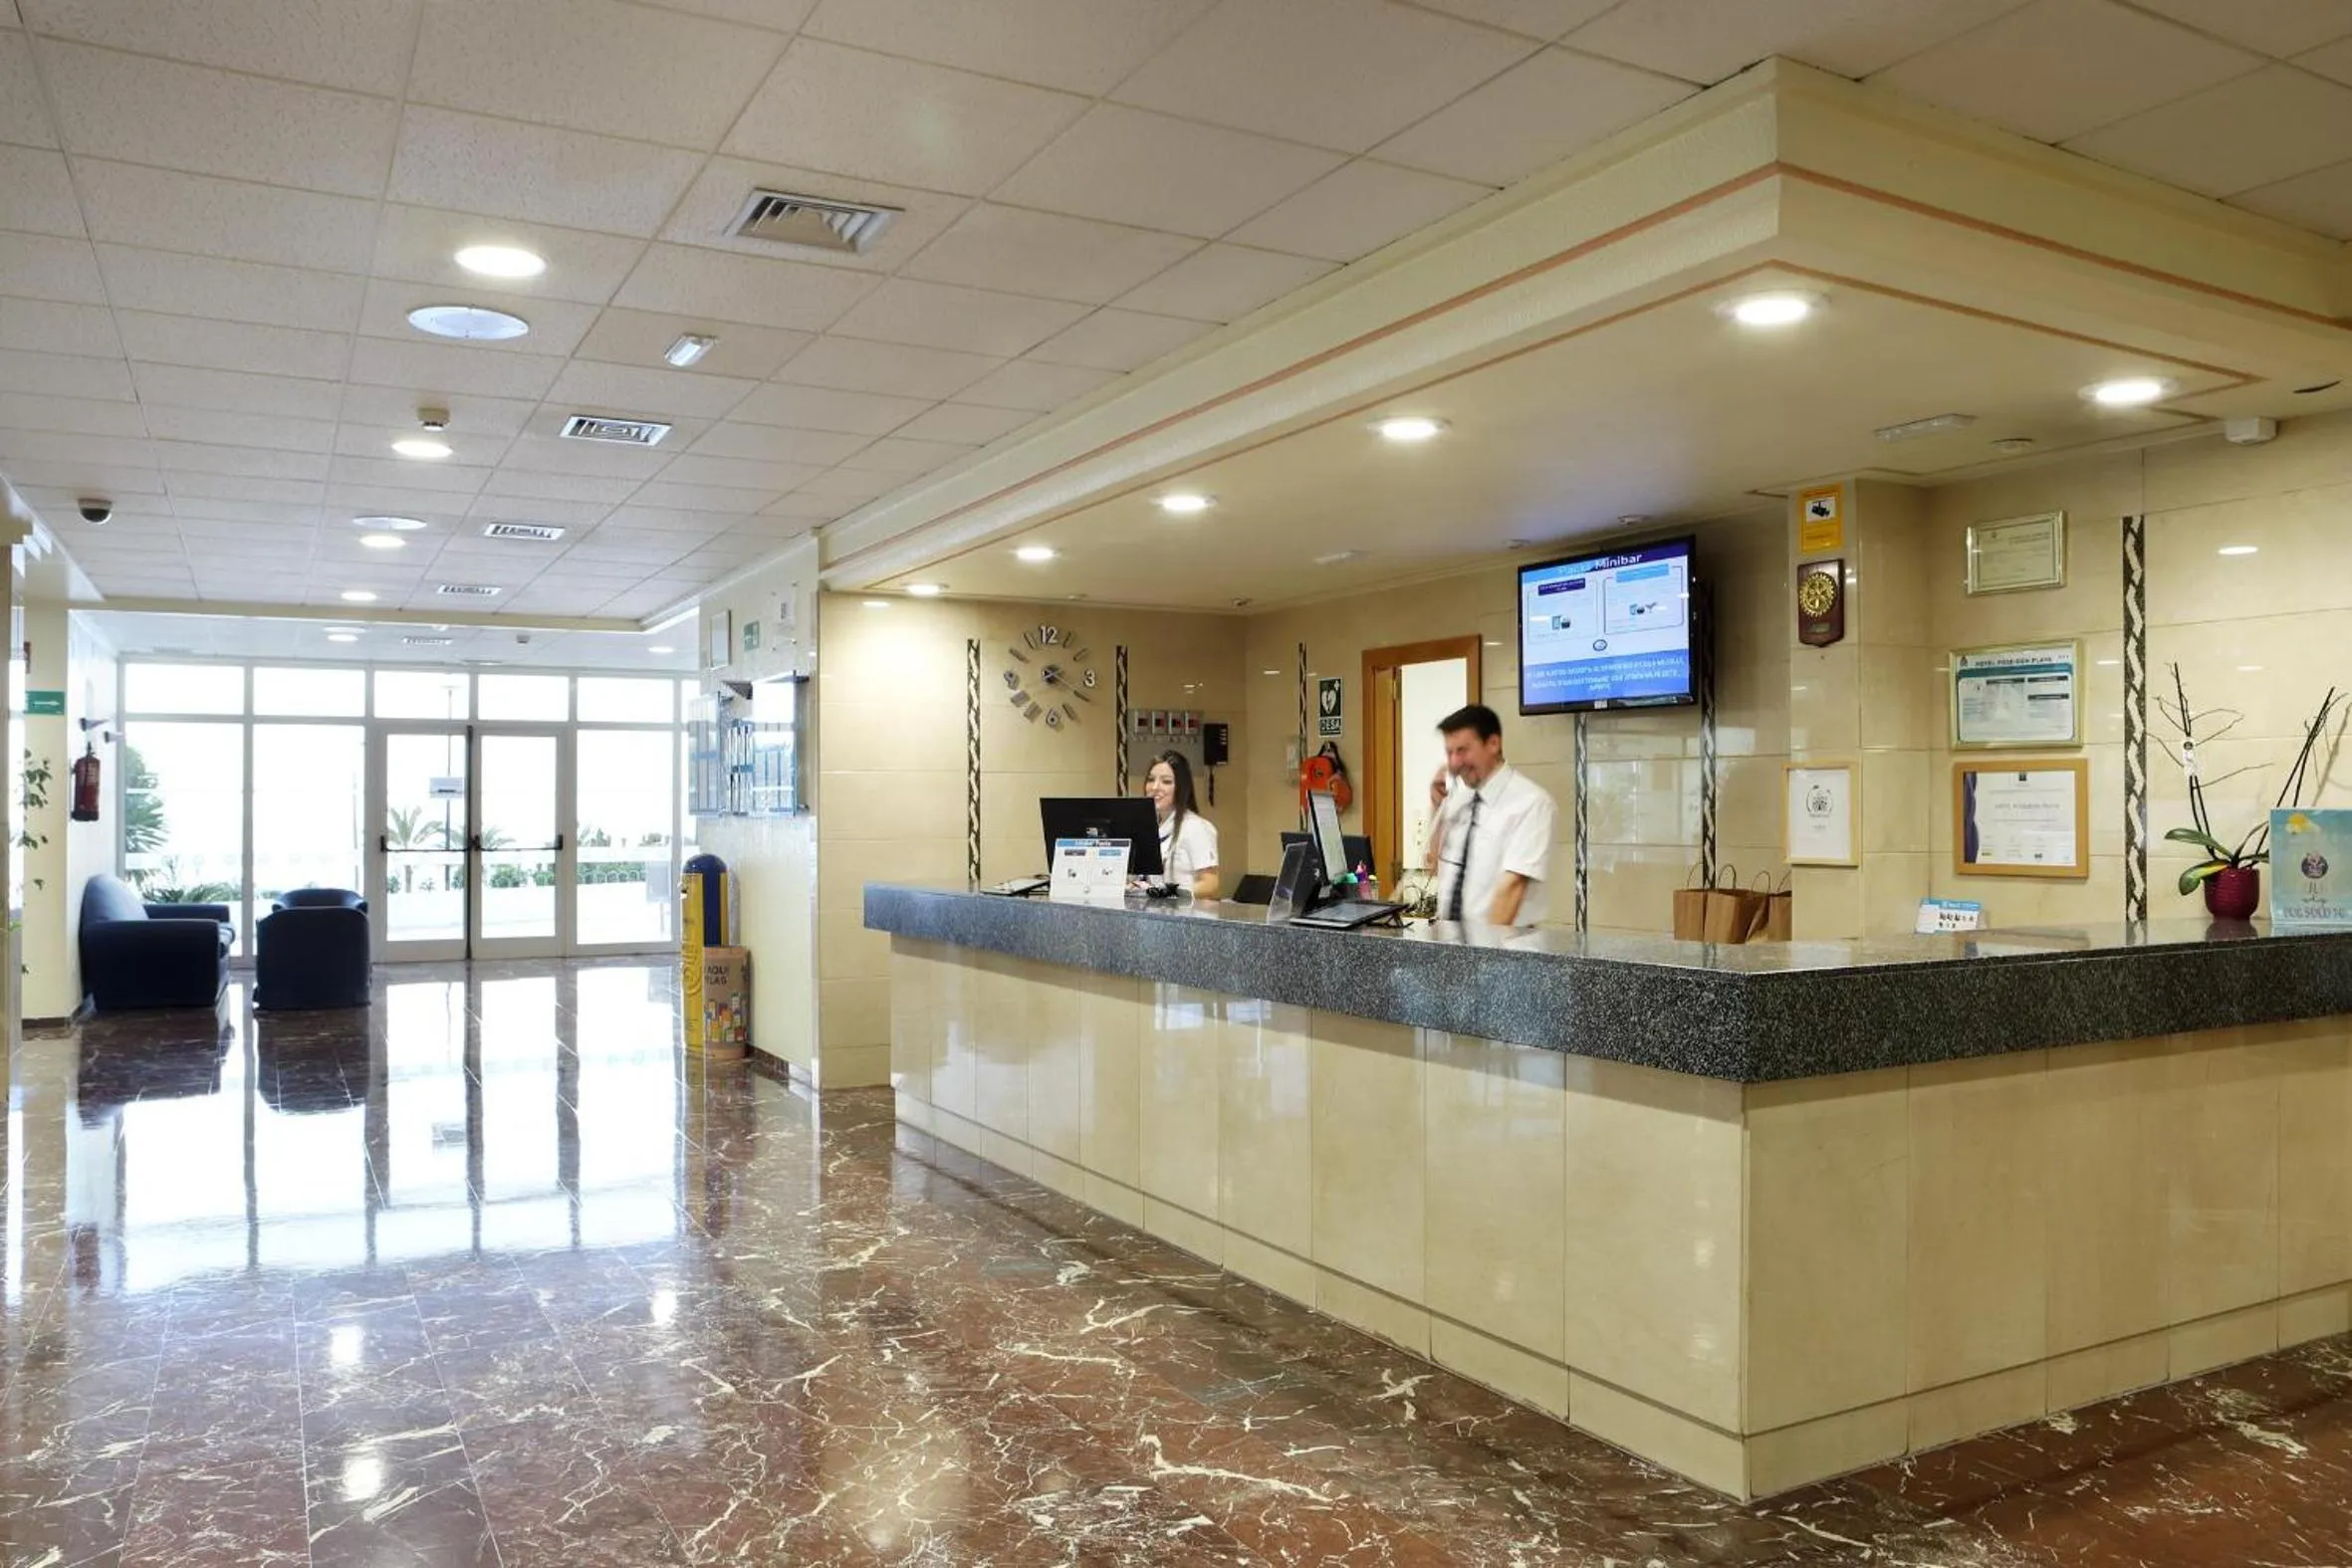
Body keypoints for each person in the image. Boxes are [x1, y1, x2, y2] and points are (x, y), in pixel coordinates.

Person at [1424, 703, 1554, 927]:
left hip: (1500, 950)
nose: (1454, 762)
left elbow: (1510, 891)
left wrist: (1479, 958)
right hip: (1454, 946)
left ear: (1493, 743)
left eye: (1463, 750)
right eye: (1449, 752)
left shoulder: (1531, 804)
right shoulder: (1459, 800)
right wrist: (1437, 806)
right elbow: (1433, 866)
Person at [1143, 750, 1220, 899]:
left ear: (1181, 787)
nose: (1155, 787)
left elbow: (1211, 884)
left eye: (1166, 782)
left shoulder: (1195, 827)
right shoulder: (1151, 827)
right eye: (1151, 780)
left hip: (1188, 917)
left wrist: (1172, 892)